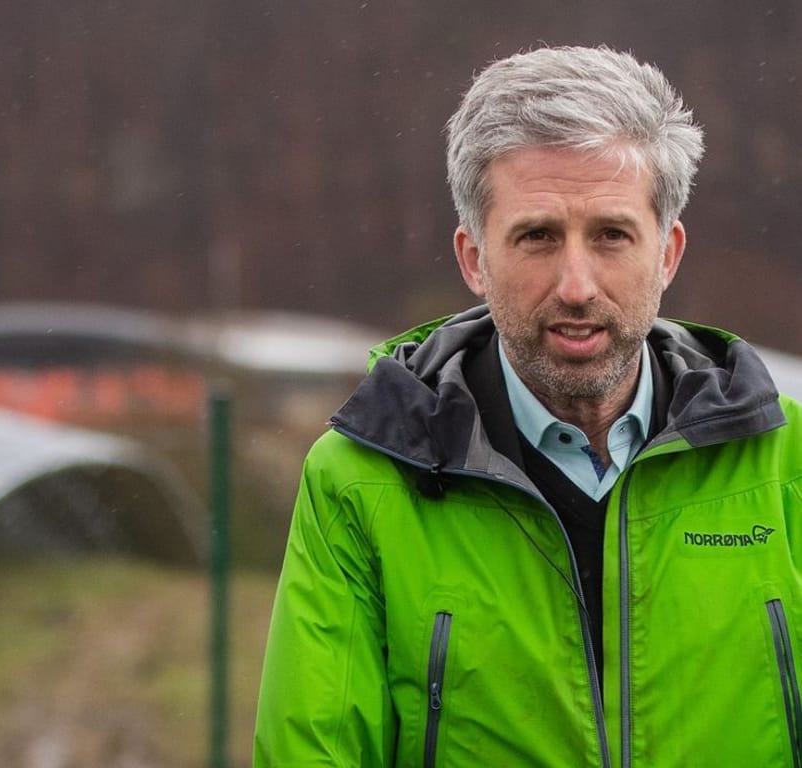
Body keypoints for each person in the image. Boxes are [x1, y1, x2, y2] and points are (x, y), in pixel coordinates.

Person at [254, 45, 802, 766]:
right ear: (474, 257)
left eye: (611, 235)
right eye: (538, 236)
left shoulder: (784, 464)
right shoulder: (361, 483)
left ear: (666, 253)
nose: (576, 284)